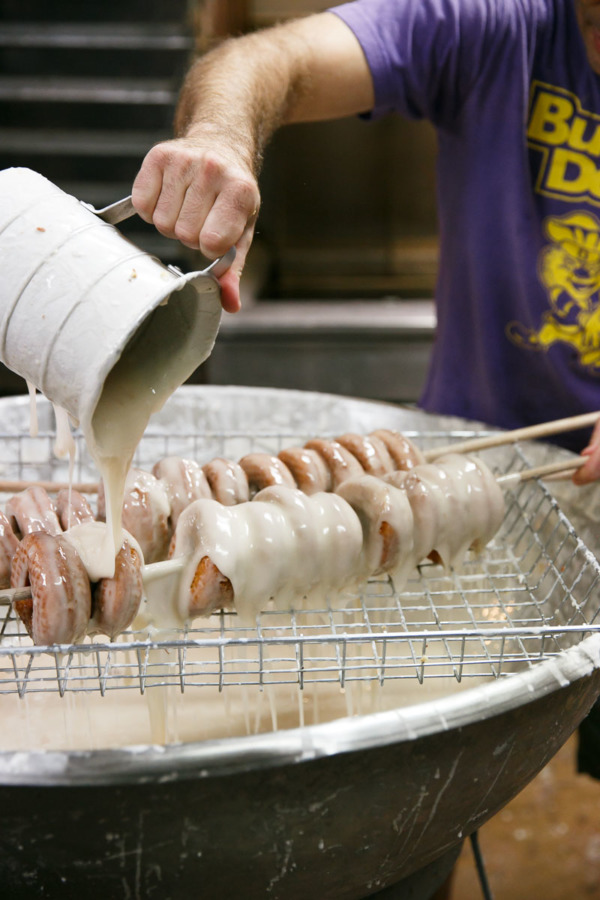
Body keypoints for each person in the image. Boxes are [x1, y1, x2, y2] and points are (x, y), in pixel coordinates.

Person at [130, 1, 600, 893]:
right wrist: (224, 140)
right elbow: (268, 60)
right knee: (436, 785)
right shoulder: (496, 25)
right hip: (458, 500)